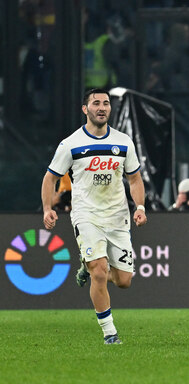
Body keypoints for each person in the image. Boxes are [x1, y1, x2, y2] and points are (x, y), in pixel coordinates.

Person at [41, 88, 147, 345]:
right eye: (96, 103)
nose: (102, 107)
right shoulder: (71, 144)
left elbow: (134, 178)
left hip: (117, 216)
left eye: (106, 103)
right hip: (86, 215)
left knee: (124, 281)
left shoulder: (124, 142)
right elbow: (50, 178)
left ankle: (88, 265)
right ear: (85, 109)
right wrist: (47, 208)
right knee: (100, 271)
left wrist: (140, 206)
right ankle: (110, 333)